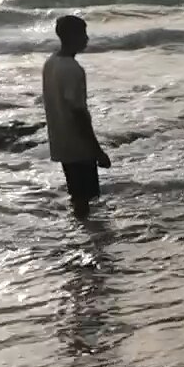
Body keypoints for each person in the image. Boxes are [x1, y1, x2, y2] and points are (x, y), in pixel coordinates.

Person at [42, 15, 111, 218]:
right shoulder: (72, 69)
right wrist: (97, 150)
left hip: (60, 139)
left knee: (77, 193)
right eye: (83, 34)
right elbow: (79, 112)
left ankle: (79, 229)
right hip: (78, 143)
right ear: (73, 36)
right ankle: (86, 230)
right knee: (85, 195)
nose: (86, 38)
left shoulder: (51, 63)